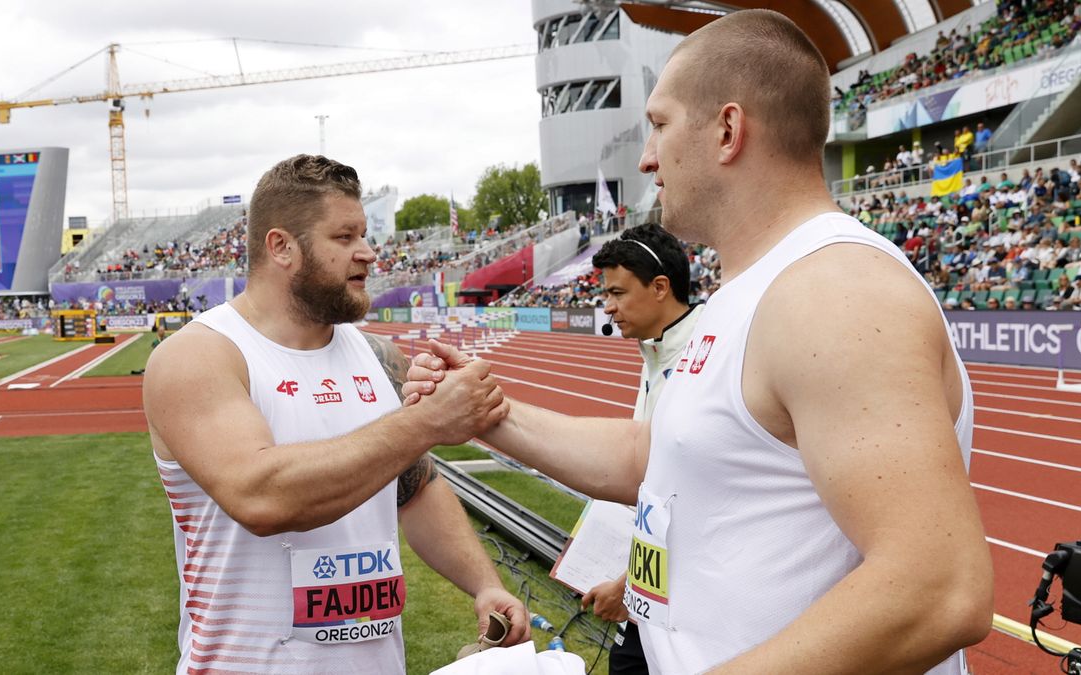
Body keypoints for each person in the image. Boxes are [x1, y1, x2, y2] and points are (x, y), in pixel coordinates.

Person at [403, 10, 991, 674]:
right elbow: (657, 454)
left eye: (659, 124)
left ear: (729, 130)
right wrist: (488, 412)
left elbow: (939, 588)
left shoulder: (835, 290)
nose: (647, 156)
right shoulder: (752, 289)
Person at [142, 155, 529, 674]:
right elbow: (261, 496)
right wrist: (425, 423)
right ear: (281, 247)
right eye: (344, 238)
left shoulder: (378, 357)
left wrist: (484, 585)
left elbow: (415, 488)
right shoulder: (199, 356)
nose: (368, 253)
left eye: (364, 235)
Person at [580, 223, 703, 675]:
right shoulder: (655, 353)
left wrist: (629, 586)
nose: (608, 307)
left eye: (617, 293)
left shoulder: (703, 357)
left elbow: (696, 503)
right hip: (656, 583)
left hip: (692, 599)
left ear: (660, 288)